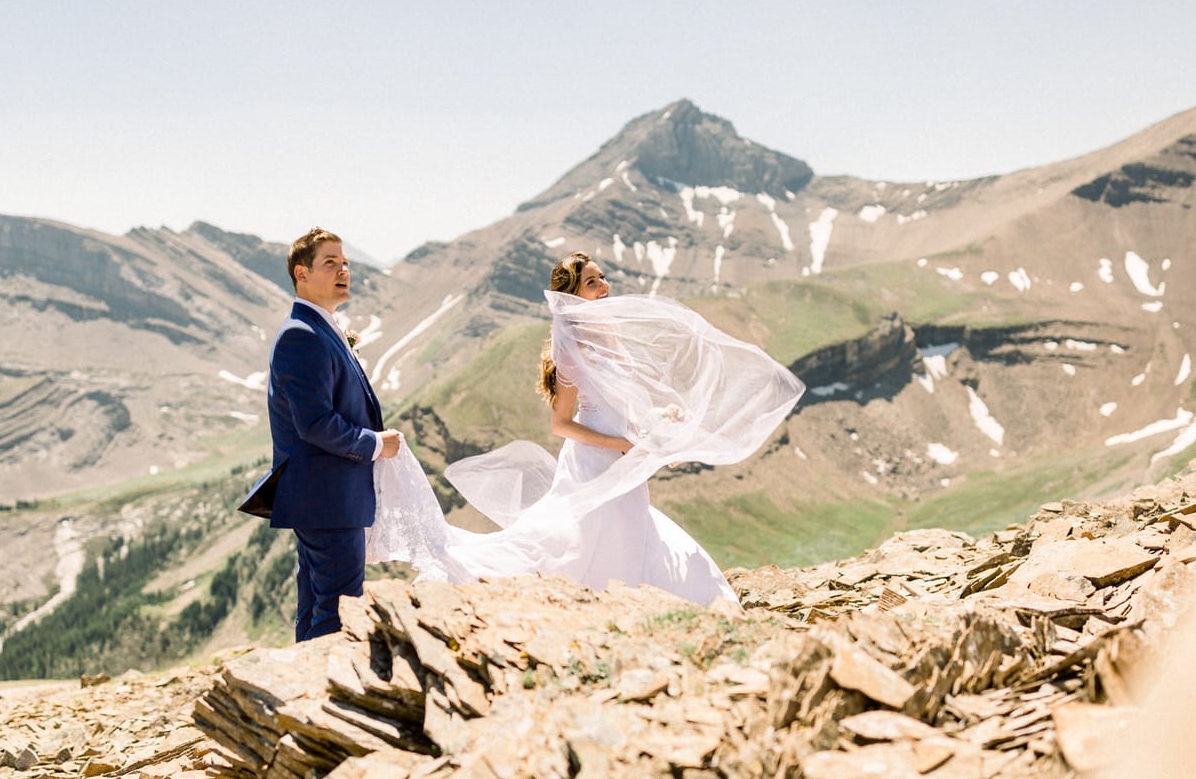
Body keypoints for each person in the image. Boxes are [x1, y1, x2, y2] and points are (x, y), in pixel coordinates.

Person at [366, 251, 805, 606]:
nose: (605, 286)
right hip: (594, 463)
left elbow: (625, 404)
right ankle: (603, 605)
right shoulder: (571, 349)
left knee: (630, 533)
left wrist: (658, 425)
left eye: (602, 278)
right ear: (573, 295)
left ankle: (642, 599)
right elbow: (561, 424)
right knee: (591, 544)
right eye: (594, 282)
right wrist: (622, 444)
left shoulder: (608, 336)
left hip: (622, 460)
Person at [264, 227, 401, 641]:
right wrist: (376, 444)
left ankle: (302, 693)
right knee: (338, 612)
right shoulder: (301, 335)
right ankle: (322, 698)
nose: (343, 270)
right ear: (301, 274)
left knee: (318, 606)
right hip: (326, 497)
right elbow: (316, 424)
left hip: (326, 496)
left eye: (345, 262)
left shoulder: (321, 328)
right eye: (330, 263)